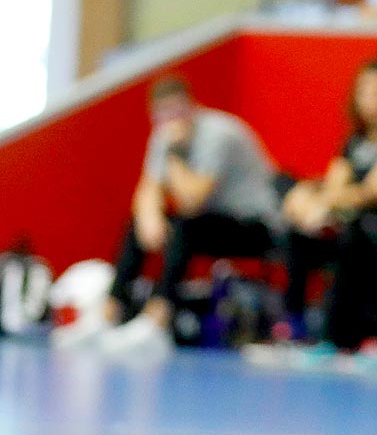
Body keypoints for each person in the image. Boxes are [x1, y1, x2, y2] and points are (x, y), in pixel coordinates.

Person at [81, 77, 280, 359]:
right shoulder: (164, 134)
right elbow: (148, 188)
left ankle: (157, 321)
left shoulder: (219, 134)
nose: (170, 120)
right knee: (138, 224)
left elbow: (192, 202)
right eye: (162, 114)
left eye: (176, 111)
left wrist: (174, 154)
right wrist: (149, 217)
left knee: (186, 227)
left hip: (256, 225)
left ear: (192, 105)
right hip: (211, 221)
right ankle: (108, 314)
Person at [277, 61, 377, 354]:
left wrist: (324, 200)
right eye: (366, 92)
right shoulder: (353, 143)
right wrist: (307, 198)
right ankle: (293, 322)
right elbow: (335, 185)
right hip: (352, 227)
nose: (374, 100)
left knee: (352, 238)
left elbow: (373, 191)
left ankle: (341, 336)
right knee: (299, 234)